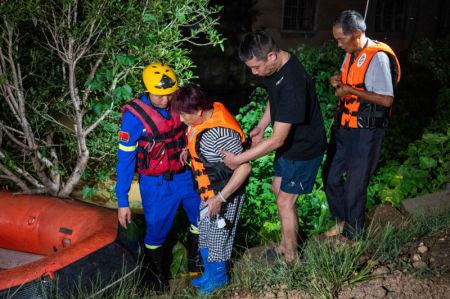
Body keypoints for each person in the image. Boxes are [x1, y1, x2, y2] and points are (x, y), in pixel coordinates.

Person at [222, 31, 326, 263]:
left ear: (270, 56)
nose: (254, 73)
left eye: (256, 67)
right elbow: (274, 96)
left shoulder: (293, 82)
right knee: (277, 188)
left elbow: (278, 139)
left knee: (285, 201)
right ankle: (285, 244)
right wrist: (261, 125)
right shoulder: (277, 69)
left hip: (304, 149)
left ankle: (291, 257)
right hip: (291, 145)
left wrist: (239, 159)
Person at [115, 63, 202, 291]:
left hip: (185, 175)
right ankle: (158, 277)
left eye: (169, 94)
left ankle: (195, 263)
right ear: (147, 89)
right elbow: (125, 160)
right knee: (155, 230)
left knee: (201, 218)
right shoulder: (134, 118)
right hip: (156, 183)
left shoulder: (179, 103)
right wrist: (122, 201)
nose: (166, 100)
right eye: (159, 95)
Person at [324, 10, 401, 240]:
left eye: (340, 39)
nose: (338, 45)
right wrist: (337, 79)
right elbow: (348, 75)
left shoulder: (378, 57)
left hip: (367, 131)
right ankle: (343, 220)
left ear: (356, 33)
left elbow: (387, 99)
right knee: (331, 176)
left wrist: (350, 90)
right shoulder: (351, 52)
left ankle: (353, 236)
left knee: (355, 185)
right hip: (346, 126)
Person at [171, 84, 251, 294]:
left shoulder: (219, 135)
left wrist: (221, 198)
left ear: (198, 111)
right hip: (208, 192)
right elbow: (198, 137)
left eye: (183, 114)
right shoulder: (203, 118)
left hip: (225, 193)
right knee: (205, 231)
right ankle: (209, 274)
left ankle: (219, 280)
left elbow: (244, 167)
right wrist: (189, 150)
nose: (180, 119)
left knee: (218, 237)